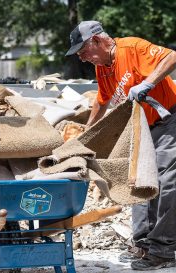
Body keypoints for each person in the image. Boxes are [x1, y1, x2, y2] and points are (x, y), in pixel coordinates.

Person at [66, 21, 176, 271]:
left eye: (83, 52)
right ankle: (143, 244)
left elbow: (171, 56)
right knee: (138, 182)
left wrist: (148, 83)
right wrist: (86, 135)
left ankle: (164, 250)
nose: (82, 58)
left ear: (96, 41)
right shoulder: (103, 68)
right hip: (141, 127)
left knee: (167, 182)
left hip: (168, 119)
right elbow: (101, 101)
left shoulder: (132, 47)